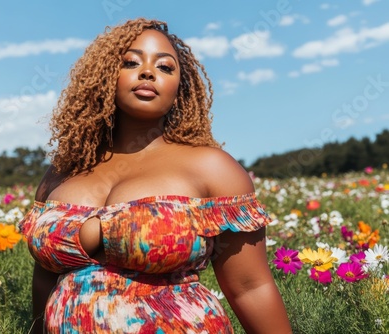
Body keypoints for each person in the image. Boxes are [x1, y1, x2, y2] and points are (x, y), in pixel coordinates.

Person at [19, 17, 292, 334]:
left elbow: (250, 287)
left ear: (179, 90)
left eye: (165, 67)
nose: (148, 72)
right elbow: (44, 280)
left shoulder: (211, 168)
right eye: (131, 62)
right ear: (105, 78)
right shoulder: (61, 173)